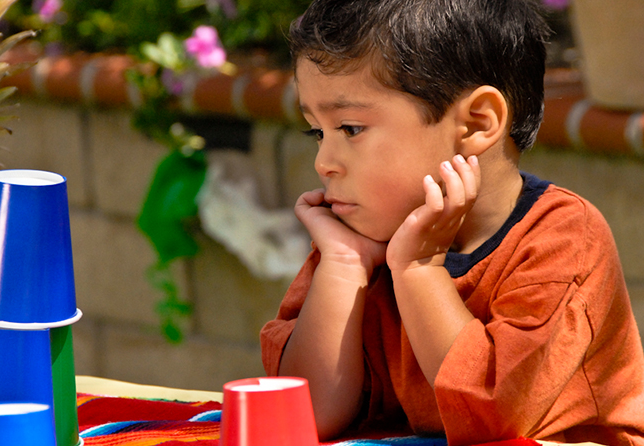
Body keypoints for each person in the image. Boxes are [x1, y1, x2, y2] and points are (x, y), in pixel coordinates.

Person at [259, 0, 644, 444]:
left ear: (477, 123)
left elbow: (492, 421)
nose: (324, 162)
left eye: (349, 128)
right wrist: (344, 265)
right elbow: (303, 415)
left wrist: (419, 270)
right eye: (317, 132)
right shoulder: (359, 238)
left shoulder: (561, 237)